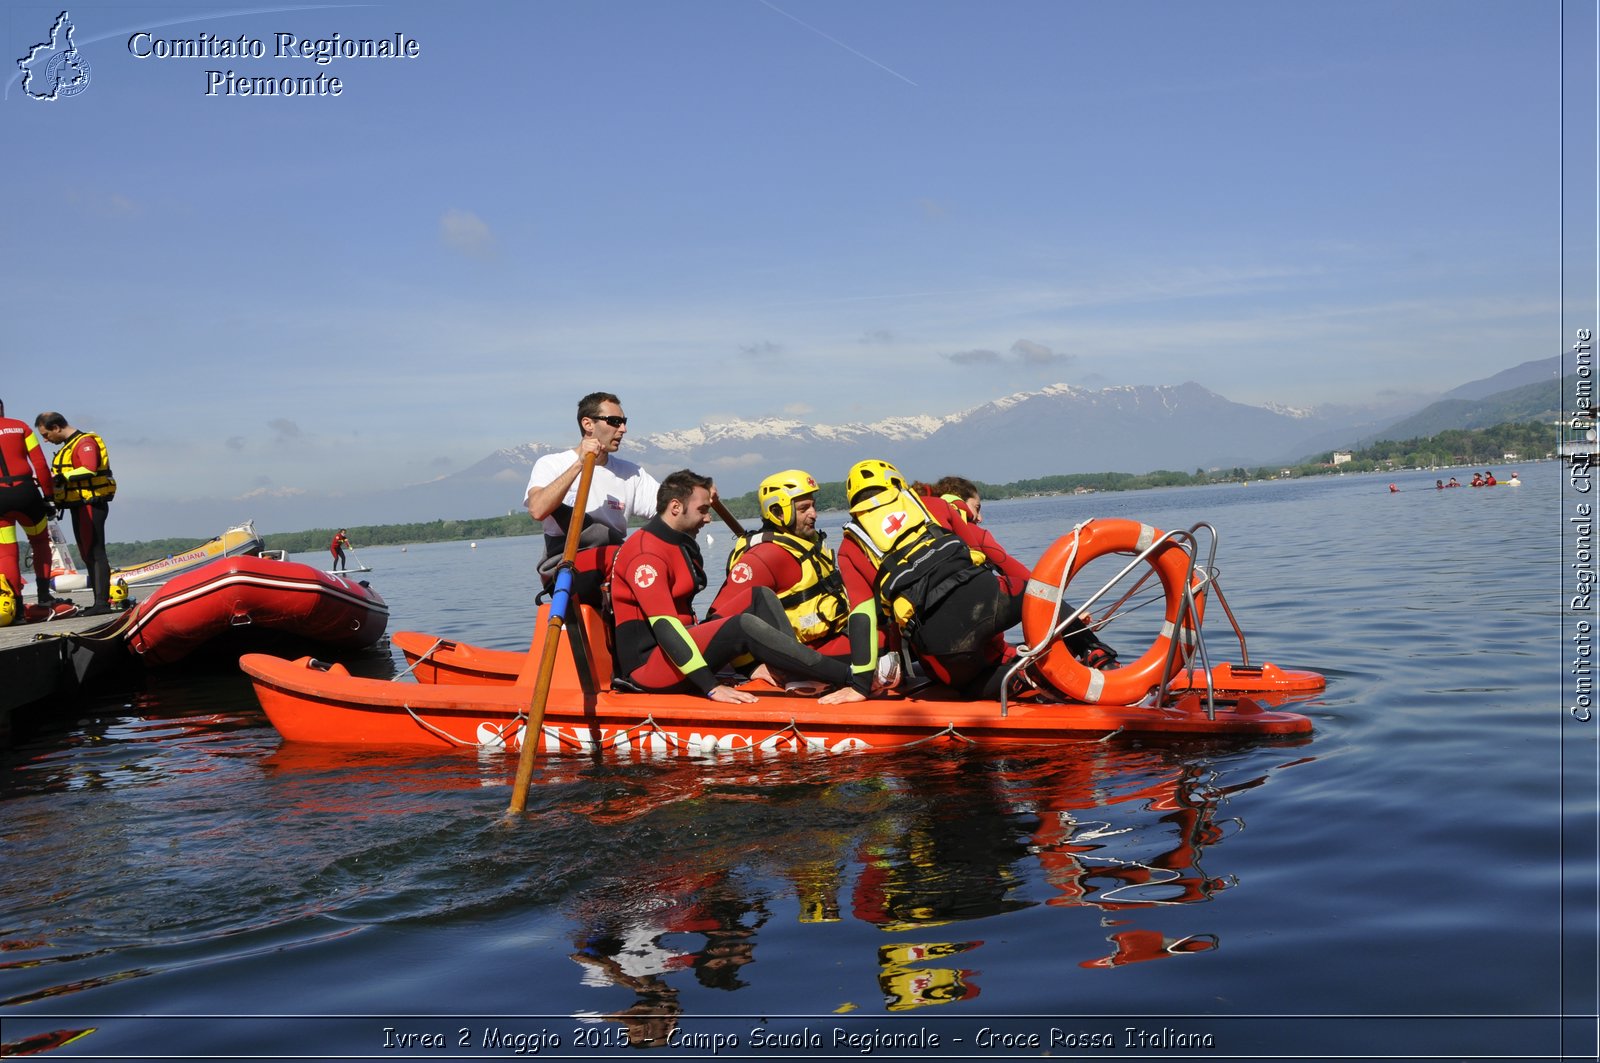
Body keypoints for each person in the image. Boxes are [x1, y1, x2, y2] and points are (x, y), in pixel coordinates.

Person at [837, 459, 1113, 700]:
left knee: (961, 682)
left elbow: (862, 614)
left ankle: (1027, 678)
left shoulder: (849, 547)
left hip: (941, 642)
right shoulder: (932, 505)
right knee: (1036, 592)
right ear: (899, 486)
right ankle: (1096, 655)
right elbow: (995, 557)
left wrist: (860, 685)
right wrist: (1065, 614)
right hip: (986, 601)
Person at [608, 470, 872, 704]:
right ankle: (853, 677)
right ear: (675, 507)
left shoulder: (675, 540)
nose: (708, 519)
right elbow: (666, 629)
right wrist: (711, 687)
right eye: (702, 510)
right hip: (651, 668)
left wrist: (749, 669)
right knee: (741, 626)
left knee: (759, 596)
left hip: (681, 649)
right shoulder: (646, 555)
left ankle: (796, 674)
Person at [705, 469, 885, 696]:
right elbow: (718, 622)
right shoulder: (765, 556)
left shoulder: (805, 545)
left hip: (833, 636)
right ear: (778, 512)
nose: (814, 514)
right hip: (806, 655)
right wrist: (750, 667)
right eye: (803, 509)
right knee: (888, 641)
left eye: (813, 505)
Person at [525, 392, 659, 605]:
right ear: (588, 424)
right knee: (623, 561)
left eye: (624, 422)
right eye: (615, 422)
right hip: (568, 563)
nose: (623, 429)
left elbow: (669, 510)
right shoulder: (551, 464)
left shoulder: (631, 473)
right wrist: (580, 463)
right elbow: (537, 510)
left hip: (615, 560)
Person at [35, 411, 115, 615]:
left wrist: (61, 477)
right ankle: (98, 602)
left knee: (95, 552)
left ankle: (102, 604)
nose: (45, 440)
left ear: (56, 427)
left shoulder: (84, 442)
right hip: (78, 505)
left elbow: (89, 468)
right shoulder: (69, 446)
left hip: (91, 504)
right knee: (86, 552)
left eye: (46, 434)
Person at [0, 399, 59, 615]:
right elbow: (41, 464)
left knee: (6, 553)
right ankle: (44, 595)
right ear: (2, 409)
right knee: (40, 542)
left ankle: (14, 607)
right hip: (27, 493)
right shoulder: (21, 426)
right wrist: (49, 497)